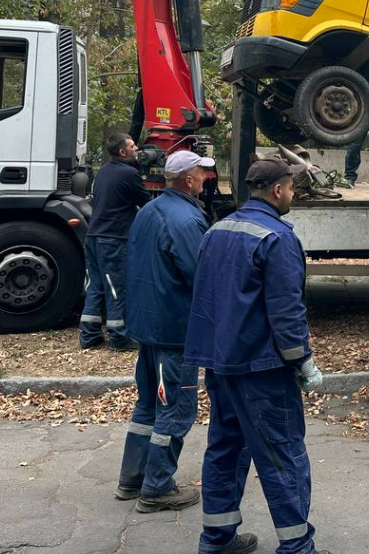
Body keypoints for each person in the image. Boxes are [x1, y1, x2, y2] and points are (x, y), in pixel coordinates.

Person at [185, 156, 332, 554]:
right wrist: (301, 359)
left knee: (226, 446)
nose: (293, 194)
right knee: (282, 452)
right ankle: (297, 546)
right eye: (291, 188)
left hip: (221, 361)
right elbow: (286, 309)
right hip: (261, 366)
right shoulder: (277, 237)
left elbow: (209, 297)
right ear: (278, 190)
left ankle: (216, 540)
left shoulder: (217, 230)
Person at [116, 149, 214, 512]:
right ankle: (156, 488)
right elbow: (200, 276)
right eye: (202, 173)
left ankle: (132, 480)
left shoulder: (149, 211)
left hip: (147, 326)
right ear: (188, 179)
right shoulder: (186, 220)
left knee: (148, 406)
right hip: (175, 329)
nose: (205, 178)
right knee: (176, 408)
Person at [80, 132, 151, 350]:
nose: (137, 149)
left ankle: (89, 335)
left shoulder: (103, 172)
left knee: (96, 285)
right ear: (122, 152)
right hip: (113, 238)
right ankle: (119, 337)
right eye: (132, 146)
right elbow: (146, 202)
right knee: (115, 287)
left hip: (93, 236)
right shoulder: (129, 174)